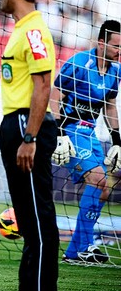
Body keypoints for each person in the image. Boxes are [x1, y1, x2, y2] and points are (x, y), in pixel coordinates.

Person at [0, 0, 59, 290]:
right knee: (28, 221)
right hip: (15, 122)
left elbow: (43, 86)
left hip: (26, 124)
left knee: (39, 220)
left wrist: (30, 137)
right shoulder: (21, 29)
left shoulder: (34, 31)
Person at [51, 19, 121, 264]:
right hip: (69, 131)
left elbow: (110, 105)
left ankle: (76, 251)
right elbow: (55, 94)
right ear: (101, 43)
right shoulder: (79, 64)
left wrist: (117, 139)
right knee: (99, 179)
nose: (119, 51)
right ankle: (85, 247)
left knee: (104, 188)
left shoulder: (116, 72)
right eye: (115, 46)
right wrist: (59, 133)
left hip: (90, 133)